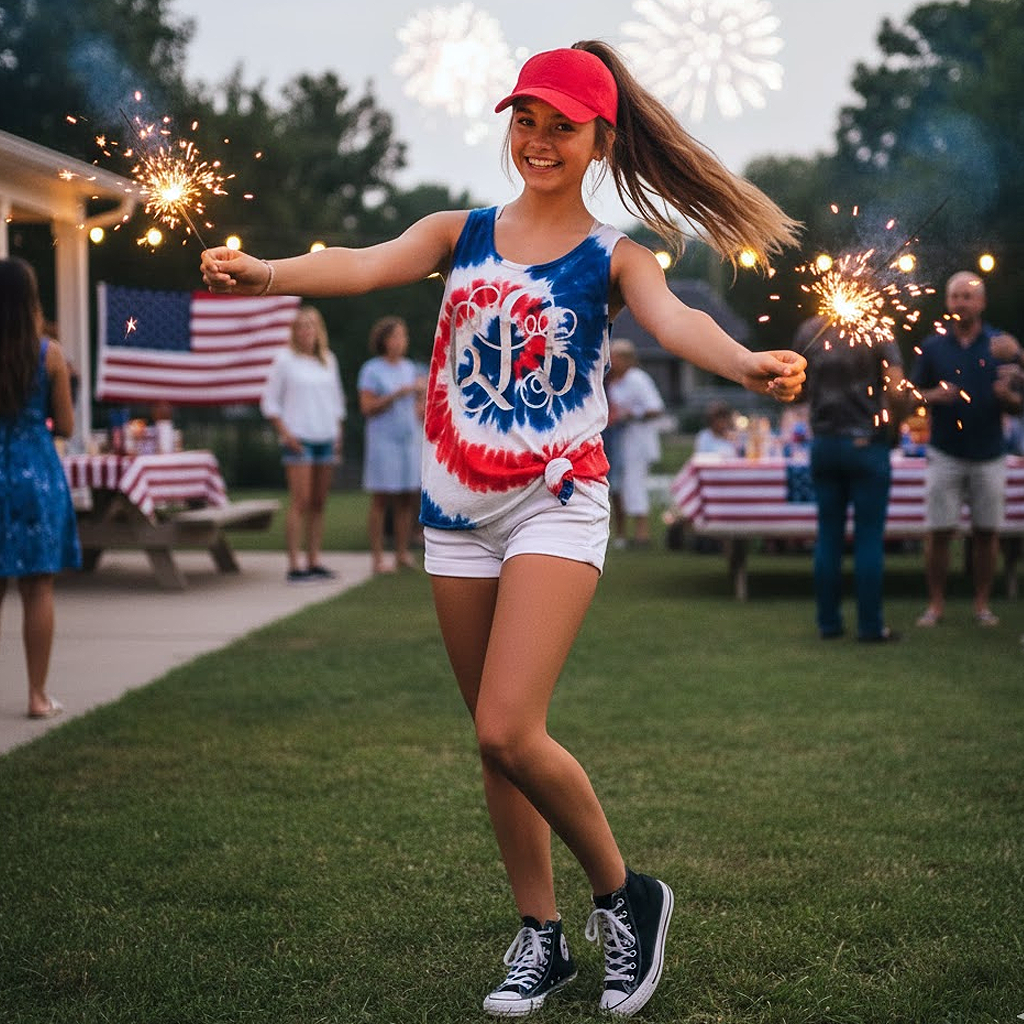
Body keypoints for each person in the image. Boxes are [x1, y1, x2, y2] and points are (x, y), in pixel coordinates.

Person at [201, 41, 806, 1018]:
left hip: (555, 502)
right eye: (524, 119)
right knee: (492, 746)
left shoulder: (615, 253)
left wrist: (740, 361)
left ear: (598, 140)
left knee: (505, 722)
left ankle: (627, 896)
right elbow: (362, 263)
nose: (536, 140)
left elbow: (671, 322)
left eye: (560, 125)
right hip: (456, 509)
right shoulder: (461, 229)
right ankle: (542, 935)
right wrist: (268, 271)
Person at [910, 271, 1023, 628]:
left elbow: (1019, 404)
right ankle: (937, 605)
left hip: (990, 452)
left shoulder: (1001, 345)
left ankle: (981, 604)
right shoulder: (932, 347)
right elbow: (910, 396)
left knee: (986, 532)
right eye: (955, 296)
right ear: (947, 302)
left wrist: (1009, 398)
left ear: (982, 302)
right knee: (939, 531)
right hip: (944, 452)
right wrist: (933, 396)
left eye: (967, 296)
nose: (961, 302)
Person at [0, 257, 81, 718]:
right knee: (38, 588)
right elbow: (67, 426)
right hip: (35, 475)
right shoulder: (47, 353)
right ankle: (36, 695)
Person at [798, 315, 909, 642]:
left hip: (824, 443)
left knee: (828, 536)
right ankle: (870, 626)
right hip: (866, 445)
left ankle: (828, 624)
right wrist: (894, 427)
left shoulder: (810, 329)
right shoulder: (877, 328)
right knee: (869, 538)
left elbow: (798, 387)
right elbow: (897, 385)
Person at [260, 305, 346, 583]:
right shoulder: (284, 360)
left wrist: (338, 433)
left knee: (319, 503)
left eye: (311, 326)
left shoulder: (327, 360)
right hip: (299, 439)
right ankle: (295, 564)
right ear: (295, 332)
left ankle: (314, 559)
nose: (307, 331)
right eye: (302, 327)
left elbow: (337, 401)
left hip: (325, 438)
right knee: (301, 501)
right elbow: (269, 403)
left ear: (318, 330)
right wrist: (286, 434)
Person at [358, 317, 425, 574]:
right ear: (385, 341)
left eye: (404, 336)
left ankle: (402, 552)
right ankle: (377, 557)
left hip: (408, 440)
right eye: (396, 336)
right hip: (383, 442)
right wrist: (397, 394)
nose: (401, 341)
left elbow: (417, 405)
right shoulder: (372, 370)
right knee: (381, 499)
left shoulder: (410, 368)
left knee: (406, 499)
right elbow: (367, 407)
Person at [605, 337, 665, 547]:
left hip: (638, 440)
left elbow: (655, 408)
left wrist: (632, 415)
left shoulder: (638, 379)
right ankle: (623, 533)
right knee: (619, 486)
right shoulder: (612, 381)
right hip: (620, 440)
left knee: (635, 484)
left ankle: (642, 533)